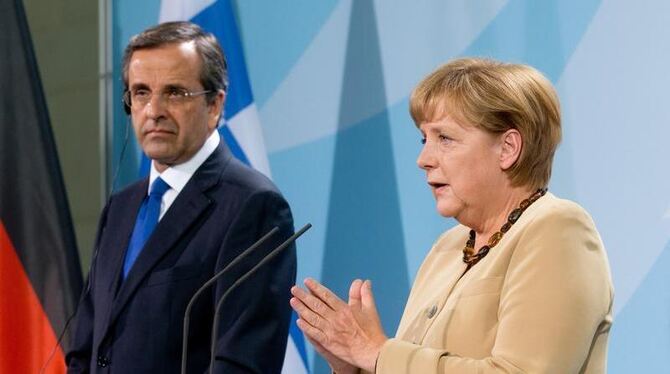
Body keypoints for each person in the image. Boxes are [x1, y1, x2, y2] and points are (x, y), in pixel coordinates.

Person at [290, 58, 614, 373]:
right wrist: (354, 366)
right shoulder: (448, 248)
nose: (423, 159)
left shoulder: (557, 230)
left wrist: (377, 354)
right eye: (424, 138)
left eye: (444, 138)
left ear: (508, 148)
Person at [67, 21, 296, 373]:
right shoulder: (120, 208)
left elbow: (242, 364)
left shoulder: (254, 206)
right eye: (141, 92)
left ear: (215, 106)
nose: (153, 110)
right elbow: (85, 349)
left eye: (174, 92)